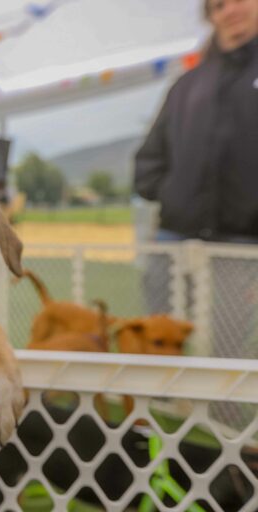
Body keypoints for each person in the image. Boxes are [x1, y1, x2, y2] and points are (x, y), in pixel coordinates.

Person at [134, 0, 258, 358]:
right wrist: (172, 195)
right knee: (159, 335)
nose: (230, 10)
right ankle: (159, 409)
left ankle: (222, 414)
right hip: (175, 235)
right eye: (219, 5)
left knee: (226, 346)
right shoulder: (188, 84)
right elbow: (150, 156)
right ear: (211, 16)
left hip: (242, 240)